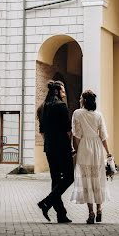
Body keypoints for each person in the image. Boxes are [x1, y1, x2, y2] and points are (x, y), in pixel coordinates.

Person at [70, 89, 111, 224]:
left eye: (81, 98)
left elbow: (76, 134)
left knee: (86, 179)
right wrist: (108, 152)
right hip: (97, 147)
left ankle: (91, 213)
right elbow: (103, 135)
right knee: (97, 178)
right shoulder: (98, 115)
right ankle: (99, 210)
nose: (79, 100)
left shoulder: (77, 113)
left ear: (84, 100)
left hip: (84, 147)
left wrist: (76, 150)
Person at [36, 80, 74, 223]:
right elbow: (68, 130)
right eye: (63, 91)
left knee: (56, 179)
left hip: (50, 148)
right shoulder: (61, 106)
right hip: (62, 147)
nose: (64, 93)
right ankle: (46, 202)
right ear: (57, 91)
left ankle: (61, 214)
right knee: (69, 177)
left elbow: (42, 131)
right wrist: (70, 146)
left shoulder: (42, 108)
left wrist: (49, 142)